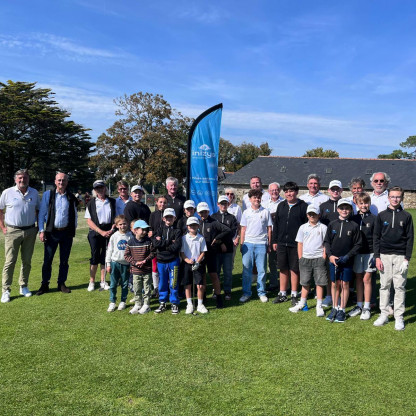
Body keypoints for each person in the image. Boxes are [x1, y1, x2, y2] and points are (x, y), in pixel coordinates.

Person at [373, 187, 414, 330]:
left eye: (398, 197)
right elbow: (376, 237)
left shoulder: (407, 216)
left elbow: (410, 239)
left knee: (399, 287)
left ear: (401, 198)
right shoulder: (381, 215)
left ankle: (399, 317)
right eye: (392, 196)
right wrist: (377, 257)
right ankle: (384, 314)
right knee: (384, 286)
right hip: (384, 255)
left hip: (400, 256)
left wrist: (406, 259)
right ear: (388, 198)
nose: (395, 199)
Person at [0, 169, 40, 303]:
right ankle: (6, 290)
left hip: (30, 231)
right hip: (12, 231)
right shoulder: (7, 192)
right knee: (10, 261)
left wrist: (38, 227)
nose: (23, 180)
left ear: (28, 179)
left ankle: (23, 286)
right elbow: (0, 210)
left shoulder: (34, 192)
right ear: (15, 179)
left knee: (27, 261)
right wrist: (3, 227)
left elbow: (38, 210)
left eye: (25, 178)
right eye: (20, 178)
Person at [36, 172, 78, 295]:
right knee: (47, 260)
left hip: (66, 233)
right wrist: (41, 230)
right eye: (59, 180)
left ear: (67, 182)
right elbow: (42, 214)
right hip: (51, 233)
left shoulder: (70, 196)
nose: (61, 182)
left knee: (64, 261)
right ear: (55, 181)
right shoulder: (48, 195)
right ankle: (44, 284)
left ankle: (61, 283)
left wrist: (73, 229)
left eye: (63, 180)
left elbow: (75, 215)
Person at [324, 199, 362, 323]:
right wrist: (330, 256)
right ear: (338, 209)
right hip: (334, 259)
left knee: (345, 284)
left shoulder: (354, 225)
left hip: (347, 260)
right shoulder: (332, 224)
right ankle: (334, 308)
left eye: (347, 208)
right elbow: (327, 241)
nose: (344, 210)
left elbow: (358, 244)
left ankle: (342, 309)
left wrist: (348, 256)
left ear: (350, 210)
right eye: (342, 208)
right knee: (335, 284)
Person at [272, 182, 308, 305]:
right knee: (283, 268)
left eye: (291, 191)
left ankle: (294, 294)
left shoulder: (303, 206)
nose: (289, 194)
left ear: (296, 192)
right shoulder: (281, 205)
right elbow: (276, 224)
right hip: (282, 242)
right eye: (286, 191)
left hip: (296, 243)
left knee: (294, 269)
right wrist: (275, 240)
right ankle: (282, 293)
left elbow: (306, 226)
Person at [290, 205, 328, 317]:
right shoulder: (303, 227)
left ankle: (319, 306)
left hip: (319, 258)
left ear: (319, 215)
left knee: (319, 283)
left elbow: (326, 244)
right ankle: (302, 303)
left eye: (314, 214)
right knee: (305, 282)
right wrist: (300, 257)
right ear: (307, 215)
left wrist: (324, 257)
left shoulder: (323, 228)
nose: (312, 216)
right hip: (305, 259)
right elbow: (300, 243)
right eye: (310, 214)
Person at [239, 189, 273, 303]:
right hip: (248, 244)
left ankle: (261, 292)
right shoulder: (246, 212)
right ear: (250, 199)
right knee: (246, 270)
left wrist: (269, 244)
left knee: (262, 270)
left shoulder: (265, 212)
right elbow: (243, 229)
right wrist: (242, 243)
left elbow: (269, 229)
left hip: (261, 244)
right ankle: (246, 293)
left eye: (259, 197)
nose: (257, 199)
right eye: (255, 197)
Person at [197, 201, 231, 308]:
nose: (203, 214)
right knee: (202, 276)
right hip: (200, 254)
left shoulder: (213, 222)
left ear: (208, 211)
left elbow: (227, 229)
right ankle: (203, 297)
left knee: (213, 275)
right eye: (201, 212)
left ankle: (219, 297)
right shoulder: (197, 223)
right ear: (198, 213)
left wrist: (217, 238)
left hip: (211, 253)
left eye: (205, 212)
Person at [85, 180, 116, 292]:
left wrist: (111, 229)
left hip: (109, 232)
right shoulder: (91, 203)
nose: (100, 190)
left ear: (105, 188)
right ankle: (92, 281)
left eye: (102, 187)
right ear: (95, 190)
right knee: (95, 256)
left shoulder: (112, 201)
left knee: (105, 257)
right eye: (97, 188)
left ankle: (103, 281)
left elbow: (115, 218)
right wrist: (101, 232)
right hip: (95, 232)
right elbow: (89, 221)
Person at [350, 193, 376, 320]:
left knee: (367, 279)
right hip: (357, 253)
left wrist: (376, 255)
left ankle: (366, 307)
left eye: (366, 203)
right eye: (361, 203)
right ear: (357, 204)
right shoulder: (353, 219)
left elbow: (377, 238)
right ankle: (359, 305)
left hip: (370, 253)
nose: (364, 205)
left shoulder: (374, 219)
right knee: (359, 279)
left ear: (369, 203)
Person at [152, 208, 182, 314]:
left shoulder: (177, 231)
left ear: (175, 218)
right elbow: (155, 244)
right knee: (162, 283)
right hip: (161, 261)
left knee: (173, 283)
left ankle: (174, 303)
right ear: (163, 218)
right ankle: (162, 302)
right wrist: (169, 242)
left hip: (173, 260)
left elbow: (176, 246)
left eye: (171, 217)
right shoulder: (159, 230)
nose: (169, 219)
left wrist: (163, 244)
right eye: (167, 217)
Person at [125, 220, 155, 315]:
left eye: (146, 230)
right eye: (143, 229)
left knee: (147, 288)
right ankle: (138, 304)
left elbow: (153, 253)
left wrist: (145, 261)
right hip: (136, 270)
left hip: (147, 270)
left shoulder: (148, 241)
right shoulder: (130, 242)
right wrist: (135, 262)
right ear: (136, 230)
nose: (145, 232)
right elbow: (126, 255)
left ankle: (146, 305)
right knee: (137, 288)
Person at [212, 196, 238, 300]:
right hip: (216, 249)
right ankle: (216, 291)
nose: (223, 205)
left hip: (228, 249)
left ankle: (227, 291)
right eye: (221, 203)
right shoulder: (213, 217)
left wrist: (222, 241)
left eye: (225, 203)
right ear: (218, 204)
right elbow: (213, 232)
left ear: (228, 204)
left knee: (227, 271)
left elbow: (232, 232)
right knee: (216, 271)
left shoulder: (232, 218)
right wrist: (220, 242)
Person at [180, 216, 208, 314]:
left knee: (199, 285)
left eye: (195, 225)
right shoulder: (184, 238)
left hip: (198, 264)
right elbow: (182, 253)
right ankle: (189, 304)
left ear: (198, 226)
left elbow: (203, 252)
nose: (193, 227)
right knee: (187, 285)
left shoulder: (201, 238)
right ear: (187, 226)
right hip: (187, 263)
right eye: (191, 225)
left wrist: (197, 262)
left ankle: (200, 305)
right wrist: (187, 260)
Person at [105, 215, 132, 312]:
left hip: (126, 264)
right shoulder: (114, 236)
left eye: (124, 224)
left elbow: (132, 252)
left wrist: (131, 264)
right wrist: (108, 264)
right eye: (120, 224)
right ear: (116, 225)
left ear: (127, 224)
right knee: (113, 284)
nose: (122, 226)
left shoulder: (130, 236)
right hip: (115, 263)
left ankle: (123, 301)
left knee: (125, 284)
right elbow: (109, 250)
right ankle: (112, 302)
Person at [263, 182, 284, 291]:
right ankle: (273, 283)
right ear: (268, 191)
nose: (274, 192)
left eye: (276, 190)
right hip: (269, 236)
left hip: (282, 235)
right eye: (272, 190)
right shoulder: (265, 204)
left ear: (279, 190)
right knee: (271, 262)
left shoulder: (284, 203)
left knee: (283, 261)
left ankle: (285, 285)